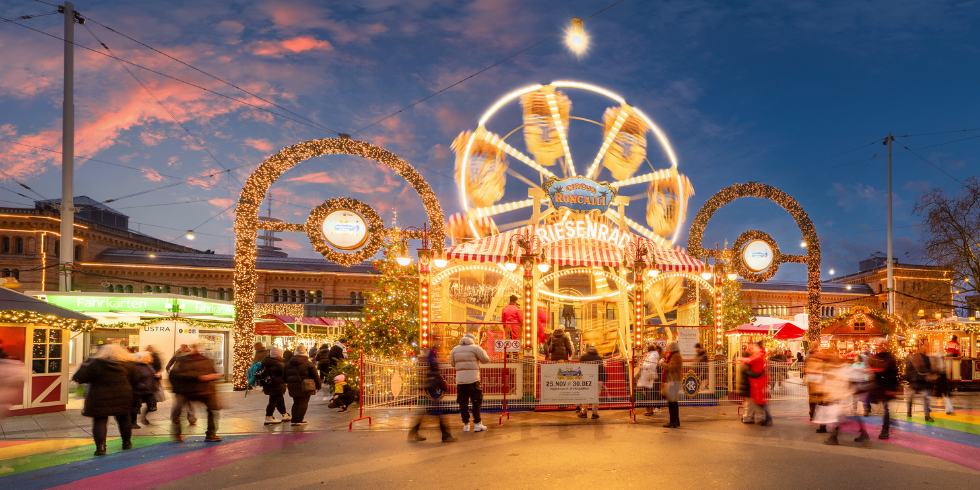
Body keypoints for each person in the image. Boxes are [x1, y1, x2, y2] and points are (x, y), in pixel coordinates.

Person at [72, 344, 139, 455]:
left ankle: (100, 448)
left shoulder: (94, 363)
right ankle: (126, 443)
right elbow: (136, 380)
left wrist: (85, 364)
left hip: (99, 395)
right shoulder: (129, 364)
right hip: (123, 395)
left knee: (100, 420)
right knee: (124, 418)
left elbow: (79, 378)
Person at [168, 342, 222, 442]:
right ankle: (178, 434)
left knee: (212, 410)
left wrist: (214, 376)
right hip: (186, 390)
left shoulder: (206, 360)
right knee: (178, 411)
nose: (196, 349)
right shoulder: (182, 360)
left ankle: (211, 433)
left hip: (203, 390)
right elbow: (176, 375)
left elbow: (213, 373)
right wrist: (199, 377)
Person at [409, 348, 456, 442]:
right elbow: (434, 367)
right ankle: (445, 435)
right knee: (437, 411)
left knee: (432, 411)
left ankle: (414, 431)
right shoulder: (433, 354)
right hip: (433, 385)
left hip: (432, 384)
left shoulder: (432, 354)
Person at [450, 335, 490, 433]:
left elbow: (452, 364)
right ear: (473, 340)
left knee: (463, 403)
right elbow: (486, 360)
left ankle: (466, 425)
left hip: (460, 381)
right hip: (473, 380)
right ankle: (477, 423)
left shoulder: (455, 349)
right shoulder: (476, 348)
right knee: (476, 402)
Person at [283, 344, 321, 426]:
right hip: (305, 386)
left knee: (296, 402)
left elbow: (284, 377)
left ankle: (294, 420)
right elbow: (315, 376)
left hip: (292, 387)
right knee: (303, 403)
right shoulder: (308, 364)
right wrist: (318, 386)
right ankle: (299, 420)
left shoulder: (289, 364)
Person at [867, 340, 898, 440]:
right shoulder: (875, 357)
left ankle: (885, 430)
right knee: (878, 407)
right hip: (877, 386)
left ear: (885, 346)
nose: (879, 347)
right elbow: (871, 368)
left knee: (885, 408)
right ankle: (890, 421)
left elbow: (892, 373)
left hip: (887, 386)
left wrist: (893, 389)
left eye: (881, 345)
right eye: (877, 345)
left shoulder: (889, 358)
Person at [740, 341, 772, 426]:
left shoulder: (759, 355)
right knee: (757, 402)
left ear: (758, 346)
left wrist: (741, 359)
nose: (753, 348)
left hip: (758, 381)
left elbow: (751, 360)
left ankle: (763, 418)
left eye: (754, 346)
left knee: (758, 402)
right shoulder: (759, 354)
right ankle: (761, 418)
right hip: (756, 382)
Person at [166, 344, 196, 425]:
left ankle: (191, 418)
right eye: (181, 347)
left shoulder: (190, 356)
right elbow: (171, 362)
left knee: (189, 402)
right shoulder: (177, 354)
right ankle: (177, 417)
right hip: (180, 384)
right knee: (180, 402)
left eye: (183, 347)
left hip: (188, 384)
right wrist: (168, 368)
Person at [260, 346, 290, 425]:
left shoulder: (266, 362)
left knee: (279, 399)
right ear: (278, 355)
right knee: (273, 401)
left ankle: (285, 414)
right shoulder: (278, 364)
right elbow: (285, 375)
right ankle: (269, 417)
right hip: (277, 385)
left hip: (269, 384)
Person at [905, 343, 934, 422]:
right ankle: (927, 415)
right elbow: (930, 369)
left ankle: (909, 412)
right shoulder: (926, 358)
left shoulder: (911, 358)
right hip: (923, 381)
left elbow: (907, 371)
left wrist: (909, 380)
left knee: (911, 398)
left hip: (914, 381)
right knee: (926, 398)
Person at [577, 346, 605, 419]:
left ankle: (584, 412)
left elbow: (579, 368)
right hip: (598, 379)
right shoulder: (599, 357)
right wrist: (602, 380)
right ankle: (594, 413)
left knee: (586, 395)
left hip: (587, 379)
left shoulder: (583, 356)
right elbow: (602, 370)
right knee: (595, 397)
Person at [132, 353, 159, 428]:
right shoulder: (136, 367)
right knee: (136, 407)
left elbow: (152, 376)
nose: (149, 359)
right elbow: (134, 379)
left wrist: (158, 377)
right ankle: (133, 422)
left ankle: (143, 417)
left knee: (151, 405)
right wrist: (142, 385)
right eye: (147, 357)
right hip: (138, 390)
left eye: (149, 357)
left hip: (149, 390)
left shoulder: (149, 366)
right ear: (141, 358)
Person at [662, 342, 683, 428]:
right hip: (674, 380)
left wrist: (663, 365)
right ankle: (676, 420)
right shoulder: (675, 355)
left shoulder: (675, 356)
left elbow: (672, 368)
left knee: (672, 402)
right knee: (673, 401)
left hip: (673, 381)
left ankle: (673, 420)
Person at [638, 344, 661, 416]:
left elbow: (652, 366)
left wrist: (642, 365)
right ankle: (649, 408)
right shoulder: (651, 355)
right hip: (647, 377)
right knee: (648, 393)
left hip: (648, 377)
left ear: (648, 349)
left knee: (648, 393)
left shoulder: (652, 356)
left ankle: (648, 408)